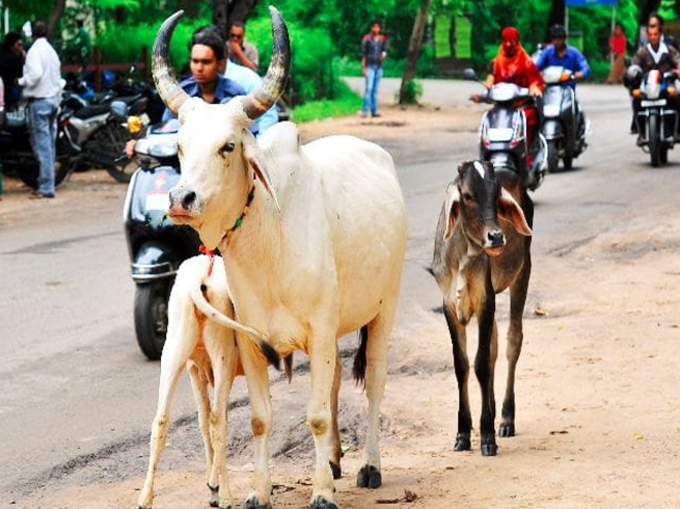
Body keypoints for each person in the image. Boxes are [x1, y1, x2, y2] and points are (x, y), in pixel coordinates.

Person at [126, 25, 251, 158]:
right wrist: (139, 143)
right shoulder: (181, 93)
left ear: (219, 64)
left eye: (206, 62)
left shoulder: (235, 94)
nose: (199, 68)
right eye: (195, 61)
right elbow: (166, 131)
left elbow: (248, 140)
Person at [472, 26, 544, 153]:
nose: (509, 44)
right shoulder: (495, 63)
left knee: (528, 119)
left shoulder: (526, 62)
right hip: (502, 107)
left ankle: (527, 154)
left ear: (517, 41)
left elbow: (534, 81)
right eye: (505, 41)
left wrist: (534, 88)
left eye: (512, 40)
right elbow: (490, 81)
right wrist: (482, 95)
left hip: (521, 105)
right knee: (489, 123)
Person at [18, 21, 62, 199]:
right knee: (49, 145)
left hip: (40, 102)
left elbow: (35, 74)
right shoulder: (51, 51)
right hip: (53, 101)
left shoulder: (34, 51)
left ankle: (46, 187)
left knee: (42, 146)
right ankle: (48, 181)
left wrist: (22, 81)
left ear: (32, 34)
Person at [535, 24, 589, 139]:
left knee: (573, 111)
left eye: (559, 38)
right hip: (549, 92)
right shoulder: (547, 53)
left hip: (567, 92)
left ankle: (575, 134)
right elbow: (536, 66)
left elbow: (585, 68)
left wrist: (578, 74)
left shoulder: (574, 53)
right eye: (554, 39)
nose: (556, 41)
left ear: (564, 39)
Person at [628, 23, 680, 138]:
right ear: (647, 36)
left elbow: (677, 59)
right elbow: (634, 64)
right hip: (647, 86)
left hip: (666, 83)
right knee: (636, 99)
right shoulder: (642, 51)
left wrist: (677, 70)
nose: (653, 37)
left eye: (655, 34)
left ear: (660, 35)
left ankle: (676, 130)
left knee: (676, 96)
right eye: (650, 34)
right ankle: (640, 132)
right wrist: (633, 72)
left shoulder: (668, 50)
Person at [361, 19, 388, 118]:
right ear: (371, 28)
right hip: (370, 66)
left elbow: (384, 50)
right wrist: (363, 67)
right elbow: (363, 54)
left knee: (375, 90)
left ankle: (374, 110)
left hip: (379, 66)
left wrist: (384, 55)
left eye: (378, 27)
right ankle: (364, 110)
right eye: (374, 27)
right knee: (369, 88)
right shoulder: (367, 39)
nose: (376, 29)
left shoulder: (382, 39)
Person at [0, 31, 26, 108]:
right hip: (9, 92)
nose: (21, 48)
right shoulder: (12, 59)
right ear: (12, 46)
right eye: (19, 45)